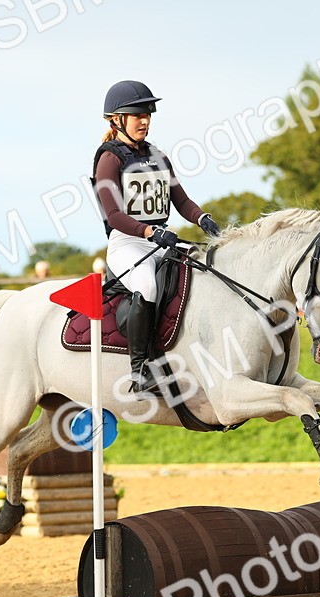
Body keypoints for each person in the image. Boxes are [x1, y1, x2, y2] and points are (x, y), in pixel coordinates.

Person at [92, 79, 222, 394]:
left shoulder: (158, 156)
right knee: (148, 284)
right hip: (127, 242)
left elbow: (181, 201)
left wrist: (202, 218)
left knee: (203, 269)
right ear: (117, 119)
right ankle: (140, 372)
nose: (145, 121)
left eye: (147, 114)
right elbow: (114, 215)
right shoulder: (109, 159)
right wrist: (149, 231)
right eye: (137, 115)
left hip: (160, 239)